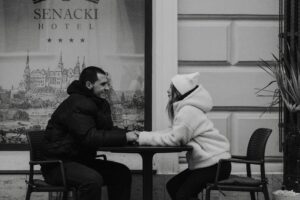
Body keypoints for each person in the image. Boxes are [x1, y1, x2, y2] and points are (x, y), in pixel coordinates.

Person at [41, 66, 138, 200]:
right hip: (58, 165)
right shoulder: (78, 103)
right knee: (92, 180)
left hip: (80, 161)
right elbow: (89, 137)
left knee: (122, 173)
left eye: (108, 84)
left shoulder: (96, 103)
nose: (108, 88)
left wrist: (128, 134)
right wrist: (124, 137)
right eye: (103, 84)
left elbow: (105, 130)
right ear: (89, 85)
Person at [136, 72, 231, 200]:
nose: (167, 91)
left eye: (171, 87)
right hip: (211, 164)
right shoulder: (187, 109)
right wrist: (143, 136)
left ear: (179, 91)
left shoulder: (188, 111)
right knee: (173, 186)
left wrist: (142, 138)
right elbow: (172, 132)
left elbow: (175, 139)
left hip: (215, 166)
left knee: (182, 195)